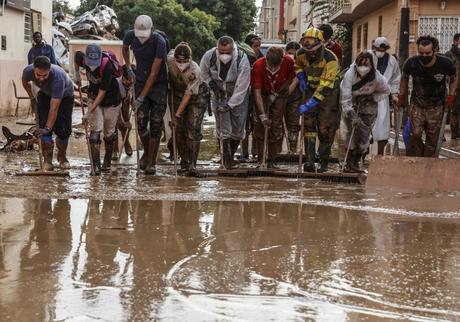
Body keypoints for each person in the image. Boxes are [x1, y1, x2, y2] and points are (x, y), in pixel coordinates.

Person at [122, 15, 168, 175]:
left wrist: (141, 97)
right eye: (139, 35)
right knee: (141, 122)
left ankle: (151, 162)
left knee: (156, 123)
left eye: (144, 35)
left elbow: (154, 73)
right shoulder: (130, 35)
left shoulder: (159, 41)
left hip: (158, 85)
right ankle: (147, 154)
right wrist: (128, 67)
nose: (141, 38)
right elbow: (124, 48)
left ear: (152, 30)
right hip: (140, 81)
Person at [399, 35, 457, 157]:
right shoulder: (411, 62)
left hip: (436, 106)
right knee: (414, 134)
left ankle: (428, 162)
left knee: (433, 139)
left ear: (434, 50)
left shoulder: (445, 63)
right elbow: (404, 77)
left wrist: (451, 95)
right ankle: (419, 157)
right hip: (417, 104)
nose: (424, 56)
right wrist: (402, 95)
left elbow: (453, 78)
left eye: (427, 53)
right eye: (421, 53)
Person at [200, 36, 251, 169]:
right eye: (221, 52)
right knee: (223, 129)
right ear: (217, 48)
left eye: (227, 53)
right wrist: (212, 84)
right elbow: (203, 73)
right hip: (218, 93)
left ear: (233, 49)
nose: (224, 55)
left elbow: (242, 85)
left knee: (238, 129)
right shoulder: (209, 56)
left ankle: (231, 154)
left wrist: (230, 105)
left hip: (237, 93)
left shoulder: (241, 58)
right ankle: (226, 159)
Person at [295, 27, 341, 173]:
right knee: (309, 125)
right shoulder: (300, 53)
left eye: (313, 49)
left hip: (329, 93)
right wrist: (301, 76)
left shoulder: (330, 59)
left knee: (324, 128)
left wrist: (311, 103)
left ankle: (323, 162)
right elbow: (298, 65)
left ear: (321, 44)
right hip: (310, 88)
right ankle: (309, 161)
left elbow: (325, 86)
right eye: (308, 49)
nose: (311, 52)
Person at [75, 44, 122, 175]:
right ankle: (96, 167)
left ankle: (107, 160)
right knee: (95, 131)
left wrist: (88, 113)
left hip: (111, 99)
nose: (92, 66)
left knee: (109, 133)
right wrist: (76, 73)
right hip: (93, 96)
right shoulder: (82, 59)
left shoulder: (107, 67)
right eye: (90, 63)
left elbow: (102, 92)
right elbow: (76, 55)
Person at [340, 52, 390, 172]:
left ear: (372, 65)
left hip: (368, 107)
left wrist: (372, 98)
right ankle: (348, 162)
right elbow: (345, 97)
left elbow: (385, 91)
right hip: (352, 104)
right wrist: (351, 114)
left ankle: (356, 162)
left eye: (366, 64)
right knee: (350, 133)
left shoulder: (377, 78)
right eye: (360, 63)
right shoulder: (349, 75)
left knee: (364, 134)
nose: (363, 66)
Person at [22, 56, 74, 171]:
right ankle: (48, 160)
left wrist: (48, 127)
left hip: (65, 97)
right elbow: (25, 82)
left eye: (44, 75)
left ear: (49, 70)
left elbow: (54, 108)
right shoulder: (28, 71)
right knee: (42, 128)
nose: (41, 79)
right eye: (38, 75)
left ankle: (62, 157)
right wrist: (31, 98)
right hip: (45, 94)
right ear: (34, 69)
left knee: (63, 129)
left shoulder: (58, 78)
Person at [252, 47, 297, 168]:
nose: (272, 69)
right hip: (263, 94)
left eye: (275, 66)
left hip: (281, 93)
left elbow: (295, 78)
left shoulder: (288, 61)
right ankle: (261, 160)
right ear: (266, 60)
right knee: (261, 126)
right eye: (270, 66)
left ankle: (272, 161)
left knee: (276, 126)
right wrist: (262, 115)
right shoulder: (258, 65)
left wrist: (286, 94)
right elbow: (257, 92)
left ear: (282, 61)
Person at [166, 42, 208, 175]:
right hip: (177, 93)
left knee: (192, 129)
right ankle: (184, 161)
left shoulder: (195, 69)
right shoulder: (169, 60)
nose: (181, 64)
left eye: (185, 61)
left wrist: (177, 115)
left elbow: (188, 94)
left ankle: (192, 165)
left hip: (196, 96)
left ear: (190, 59)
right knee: (178, 130)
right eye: (179, 61)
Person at [370, 37, 401, 155]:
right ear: (374, 48)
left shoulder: (392, 61)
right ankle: (362, 155)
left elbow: (395, 79)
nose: (380, 51)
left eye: (383, 49)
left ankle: (380, 154)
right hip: (367, 96)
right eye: (378, 49)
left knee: (382, 126)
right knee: (366, 126)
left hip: (383, 98)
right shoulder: (367, 57)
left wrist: (394, 94)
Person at [240, 33, 265, 161]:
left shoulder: (262, 59)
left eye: (259, 46)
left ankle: (256, 152)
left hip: (257, 95)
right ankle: (244, 153)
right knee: (243, 124)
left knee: (257, 122)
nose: (257, 49)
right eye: (255, 46)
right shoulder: (242, 58)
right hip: (243, 95)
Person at [112, 65, 134, 160]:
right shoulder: (117, 84)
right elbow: (117, 106)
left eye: (130, 80)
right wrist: (122, 121)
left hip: (125, 100)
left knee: (126, 123)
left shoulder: (134, 80)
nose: (129, 82)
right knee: (116, 125)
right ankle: (114, 150)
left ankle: (126, 143)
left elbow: (134, 95)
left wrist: (134, 104)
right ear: (123, 77)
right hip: (113, 103)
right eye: (126, 80)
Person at [285, 41, 302, 153]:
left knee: (294, 125)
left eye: (295, 54)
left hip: (296, 97)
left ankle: (293, 150)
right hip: (281, 96)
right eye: (290, 53)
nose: (292, 56)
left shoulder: (301, 65)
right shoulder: (282, 63)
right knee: (278, 124)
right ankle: (275, 152)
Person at [445, 33, 460, 140]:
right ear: (455, 41)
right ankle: (455, 132)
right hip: (454, 88)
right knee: (455, 110)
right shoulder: (449, 55)